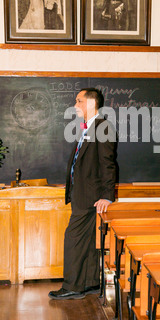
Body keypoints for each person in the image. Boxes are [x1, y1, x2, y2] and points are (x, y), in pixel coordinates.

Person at [48, 88, 117, 300]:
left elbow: (108, 164)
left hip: (91, 195)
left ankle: (72, 286)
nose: (75, 105)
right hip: (84, 194)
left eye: (79, 101)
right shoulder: (91, 127)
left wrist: (107, 195)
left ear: (90, 103)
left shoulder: (102, 126)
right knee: (87, 241)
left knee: (73, 238)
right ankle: (90, 284)